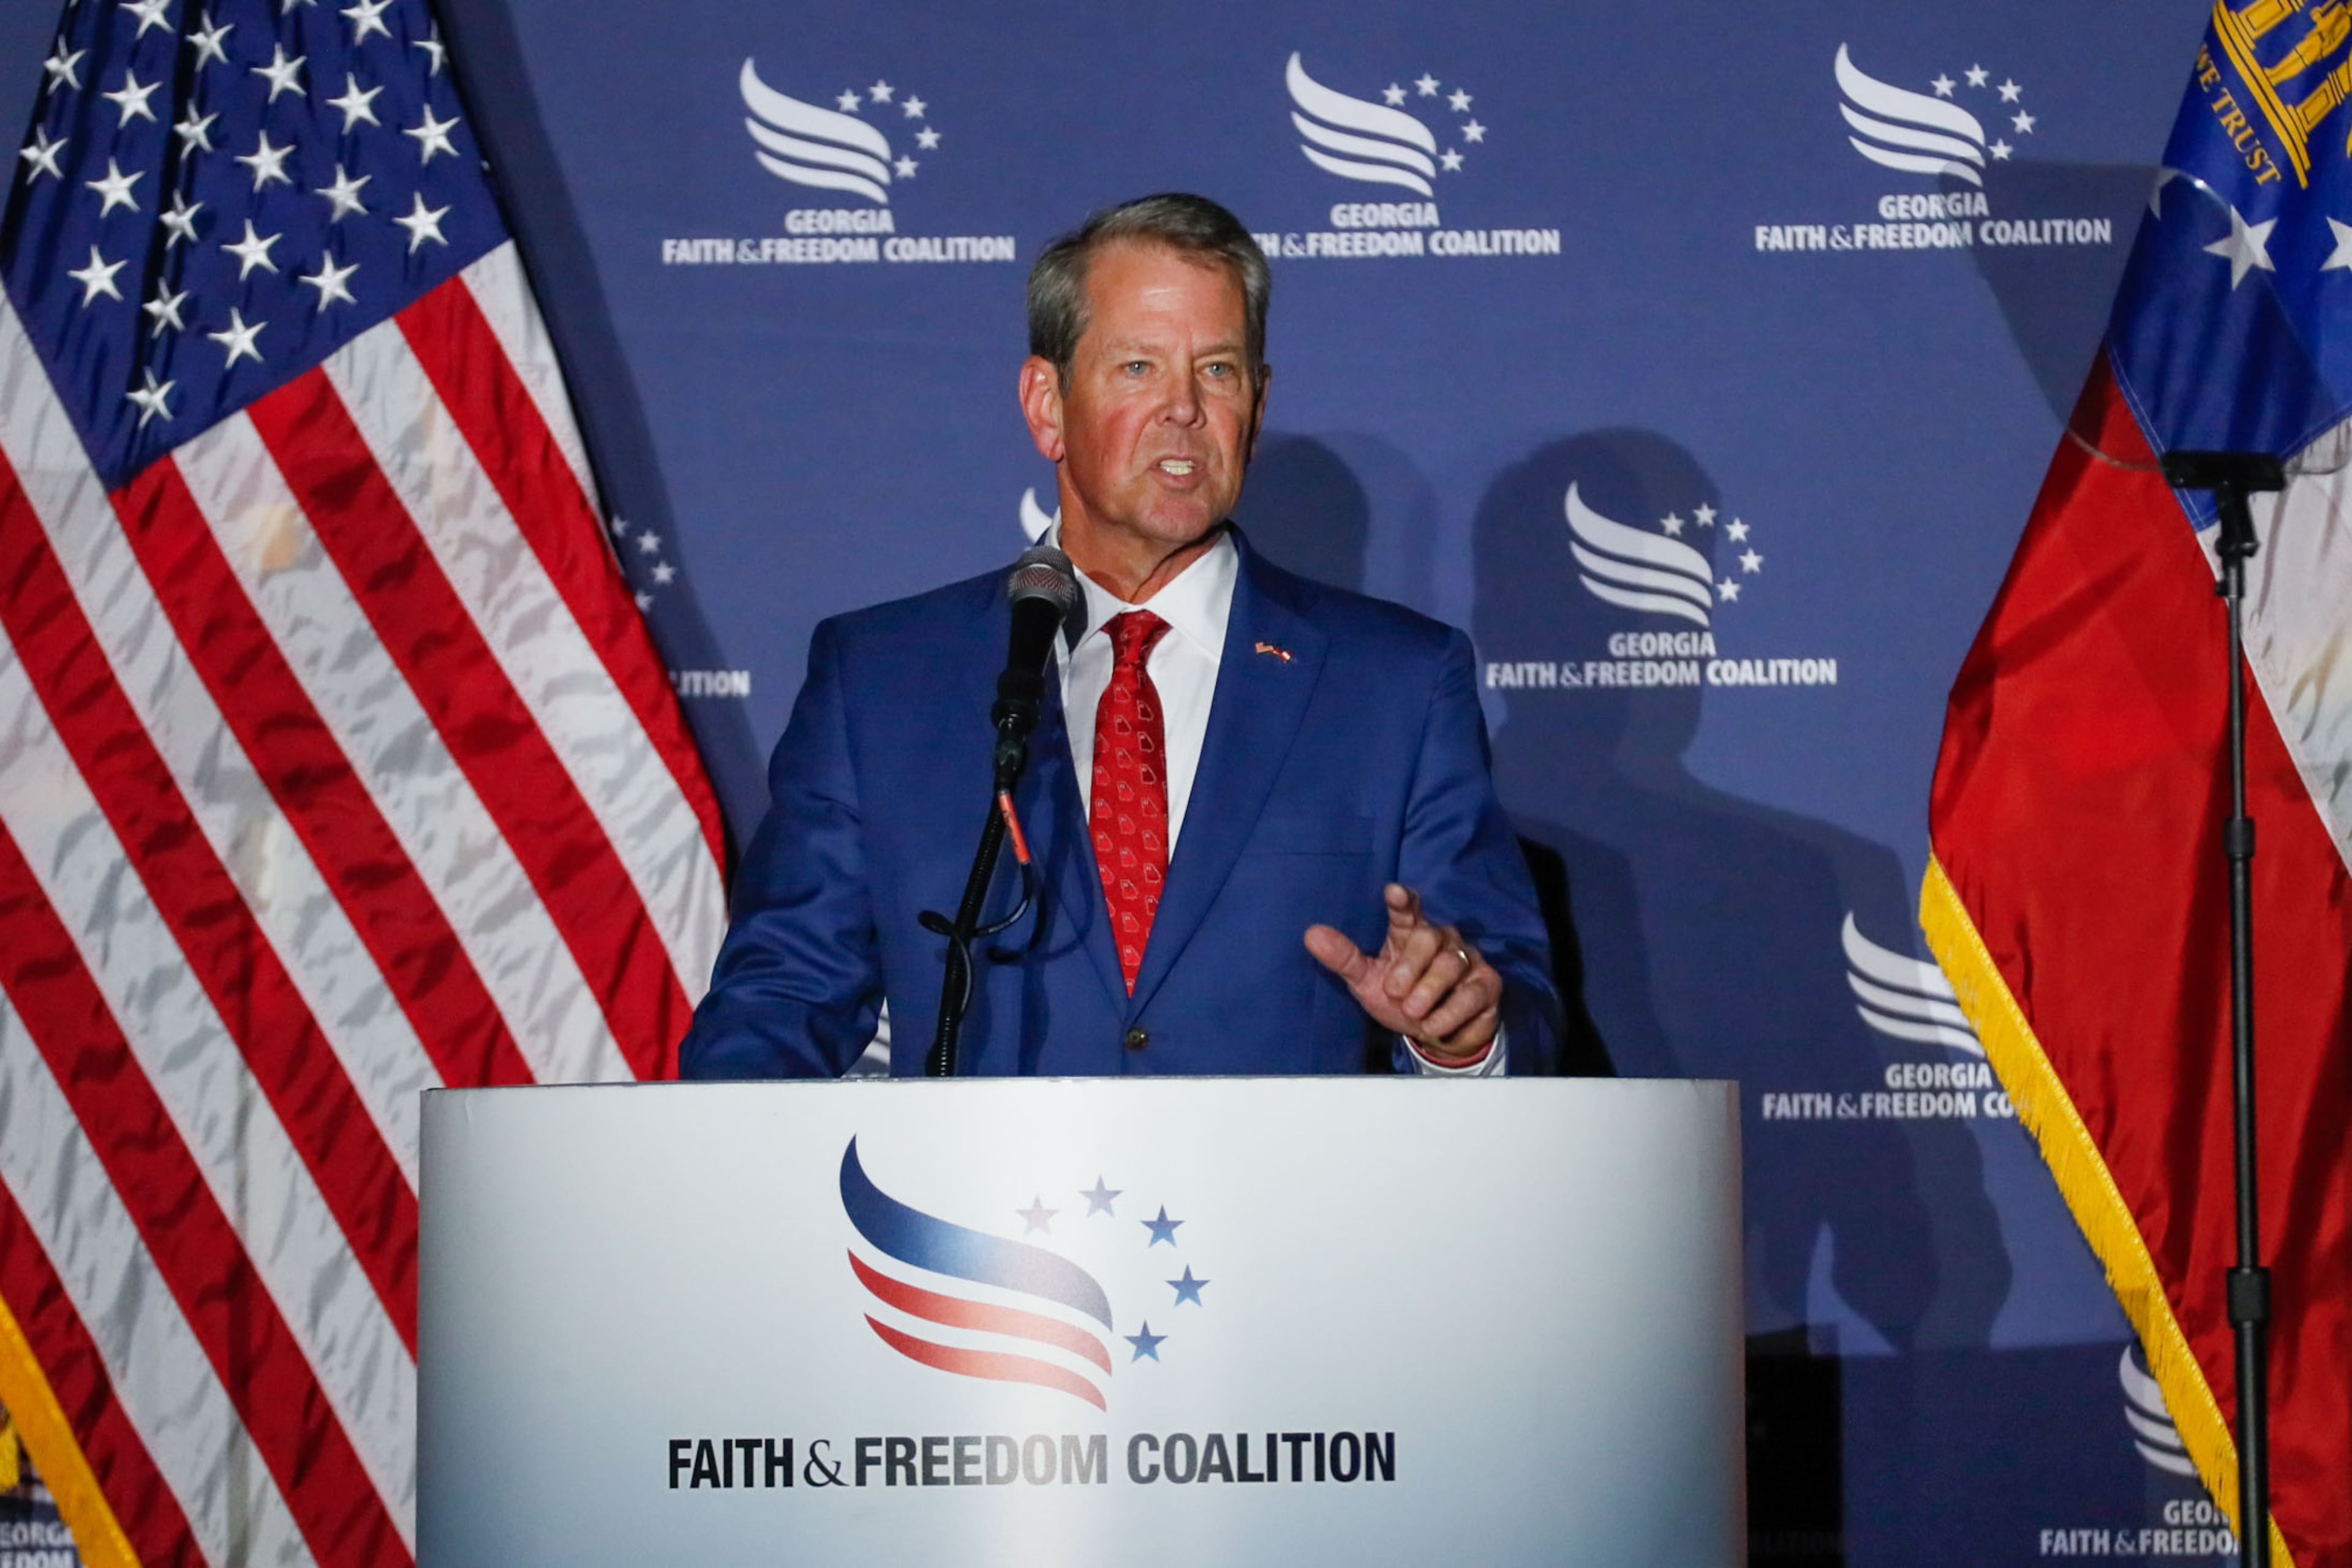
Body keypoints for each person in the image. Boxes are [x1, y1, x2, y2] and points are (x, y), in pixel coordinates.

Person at [679, 193, 1561, 1077]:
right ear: (1046, 405)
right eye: (1138, 367)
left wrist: (1459, 1035)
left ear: (1257, 402)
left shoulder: (1397, 685)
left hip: (1288, 1209)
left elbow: (1512, 1001)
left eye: (1218, 370)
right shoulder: (879, 679)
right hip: (971, 1210)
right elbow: (782, 999)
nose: (1183, 408)